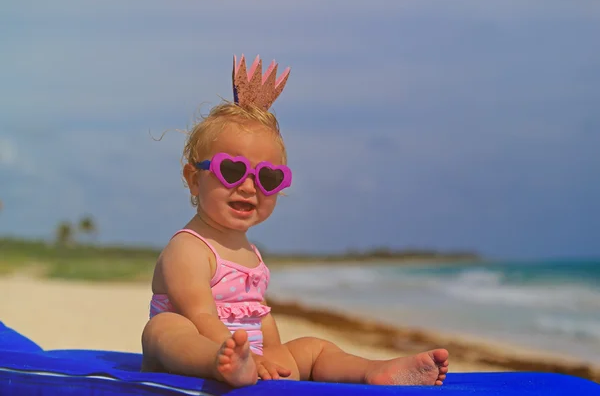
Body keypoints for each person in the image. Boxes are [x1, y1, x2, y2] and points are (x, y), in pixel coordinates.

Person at [141, 54, 449, 388]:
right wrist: (234, 353)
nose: (248, 186)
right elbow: (200, 315)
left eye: (268, 178)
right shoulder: (188, 248)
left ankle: (372, 371)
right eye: (231, 171)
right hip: (198, 350)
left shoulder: (249, 253)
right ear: (194, 179)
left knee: (314, 349)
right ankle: (220, 364)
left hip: (250, 358)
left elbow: (260, 315)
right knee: (166, 329)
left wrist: (271, 353)